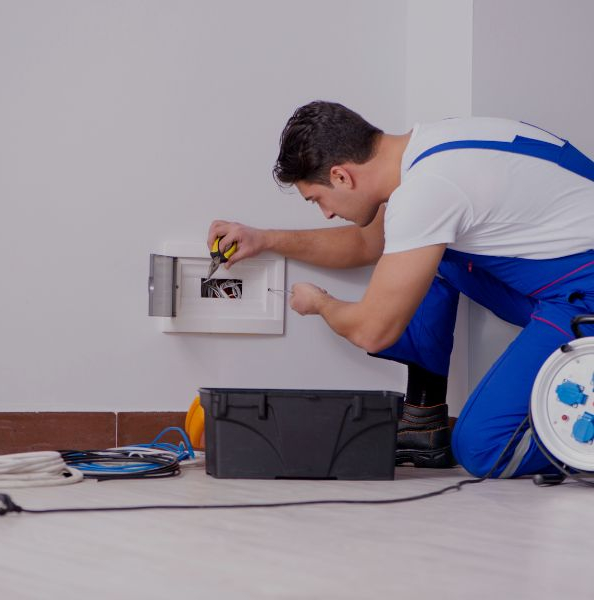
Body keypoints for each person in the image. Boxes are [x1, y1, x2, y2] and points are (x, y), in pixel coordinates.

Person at [207, 101, 594, 476]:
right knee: (432, 257)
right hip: (563, 277)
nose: (325, 212)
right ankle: (423, 421)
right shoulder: (427, 150)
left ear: (342, 176)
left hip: (583, 292)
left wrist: (321, 304)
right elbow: (368, 245)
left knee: (484, 449)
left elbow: (373, 331)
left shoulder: (427, 190)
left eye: (318, 199)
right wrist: (264, 239)